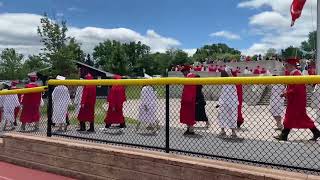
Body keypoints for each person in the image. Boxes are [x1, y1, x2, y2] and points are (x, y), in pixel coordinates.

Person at [275, 58, 320, 141]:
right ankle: (316, 132)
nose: (285, 67)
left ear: (291, 66)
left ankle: (284, 135)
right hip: (294, 100)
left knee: (292, 117)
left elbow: (297, 89)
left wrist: (286, 93)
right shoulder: (293, 73)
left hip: (297, 101)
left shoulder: (297, 74)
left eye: (286, 65)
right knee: (293, 117)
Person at [216, 66, 239, 138]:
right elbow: (223, 94)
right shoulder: (224, 82)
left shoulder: (231, 81)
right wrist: (219, 103)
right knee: (222, 116)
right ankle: (223, 131)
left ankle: (233, 132)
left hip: (231, 102)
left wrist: (229, 72)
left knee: (231, 116)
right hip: (225, 102)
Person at [180, 66, 197, 135]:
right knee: (187, 114)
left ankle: (191, 129)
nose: (183, 74)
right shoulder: (189, 76)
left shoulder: (190, 76)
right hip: (188, 99)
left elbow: (189, 90)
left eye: (184, 72)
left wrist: (185, 99)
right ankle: (189, 128)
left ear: (187, 71)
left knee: (189, 114)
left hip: (188, 99)